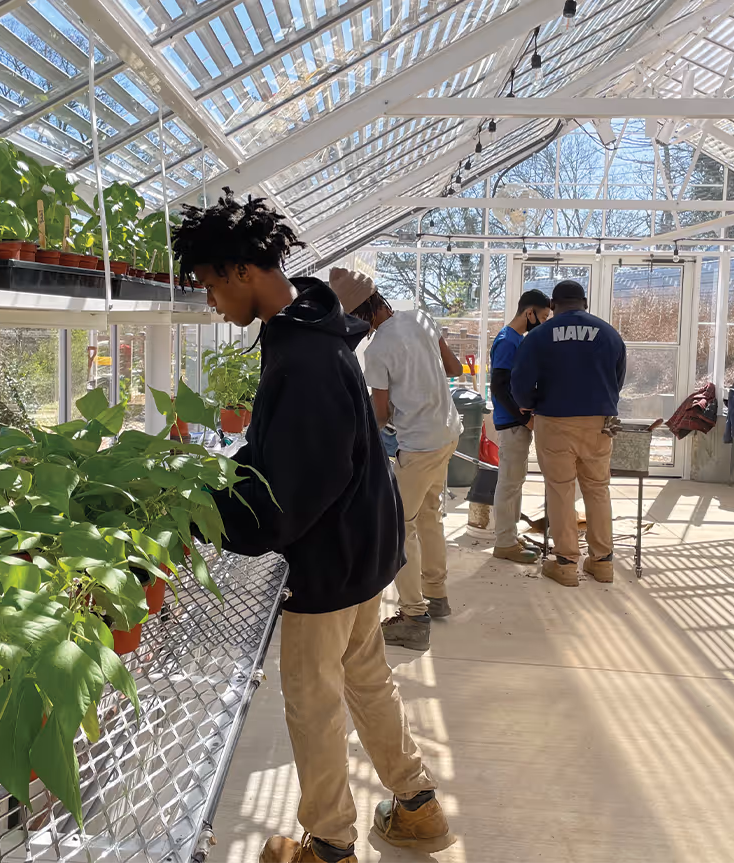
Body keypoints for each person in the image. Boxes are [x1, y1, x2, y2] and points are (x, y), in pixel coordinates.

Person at [172, 191, 454, 863]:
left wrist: (207, 508)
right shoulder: (315, 333)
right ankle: (415, 804)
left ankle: (328, 843)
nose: (211, 301)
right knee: (365, 676)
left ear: (243, 271)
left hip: (328, 563)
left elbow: (287, 498)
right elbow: (287, 455)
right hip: (363, 548)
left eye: (211, 285)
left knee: (312, 700)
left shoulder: (301, 361)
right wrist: (228, 472)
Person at [331, 271, 464, 653]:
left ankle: (413, 617)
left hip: (419, 444)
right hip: (447, 432)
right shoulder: (420, 316)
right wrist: (425, 379)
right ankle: (437, 596)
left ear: (357, 313)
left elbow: (381, 414)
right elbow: (454, 369)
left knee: (397, 528)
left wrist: (354, 432)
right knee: (428, 514)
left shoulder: (376, 350)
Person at [510, 279, 626, 587]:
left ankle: (565, 564)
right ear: (584, 303)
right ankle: (602, 562)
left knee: (560, 489)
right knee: (598, 488)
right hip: (599, 421)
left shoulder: (539, 336)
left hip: (554, 420)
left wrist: (530, 404)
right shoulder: (609, 334)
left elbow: (520, 381)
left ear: (554, 305)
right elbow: (617, 379)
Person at [488, 289, 552, 565]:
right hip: (511, 423)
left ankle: (511, 536)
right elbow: (499, 387)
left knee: (516, 482)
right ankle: (504, 542)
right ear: (529, 313)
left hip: (516, 422)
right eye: (544, 316)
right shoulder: (507, 341)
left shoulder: (516, 339)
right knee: (509, 483)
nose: (545, 322)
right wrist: (524, 417)